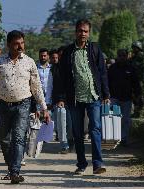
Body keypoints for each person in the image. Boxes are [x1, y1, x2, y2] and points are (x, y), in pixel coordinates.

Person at [0, 30, 50, 184]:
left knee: (19, 138)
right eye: (16, 44)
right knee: (5, 140)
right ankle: (11, 166)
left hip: (23, 104)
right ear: (9, 45)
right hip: (2, 105)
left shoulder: (29, 62)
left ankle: (15, 171)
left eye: (22, 43)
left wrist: (44, 108)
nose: (20, 46)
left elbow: (37, 87)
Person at [57, 19, 110, 175]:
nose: (82, 34)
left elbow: (102, 73)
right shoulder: (68, 52)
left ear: (89, 33)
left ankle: (98, 164)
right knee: (78, 132)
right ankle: (81, 164)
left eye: (85, 31)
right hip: (75, 98)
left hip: (93, 96)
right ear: (75, 32)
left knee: (95, 129)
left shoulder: (95, 49)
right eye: (80, 30)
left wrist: (106, 94)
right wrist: (60, 97)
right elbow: (62, 77)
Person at [108, 49, 142, 146]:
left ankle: (124, 139)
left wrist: (138, 95)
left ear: (127, 56)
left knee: (126, 119)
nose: (122, 57)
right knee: (115, 118)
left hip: (127, 98)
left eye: (124, 55)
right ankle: (115, 138)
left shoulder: (131, 68)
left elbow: (136, 83)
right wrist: (106, 95)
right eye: (120, 55)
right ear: (117, 56)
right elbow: (106, 82)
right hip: (114, 97)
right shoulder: (112, 68)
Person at [50, 49, 73, 154]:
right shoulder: (55, 68)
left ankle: (71, 142)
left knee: (72, 124)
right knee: (62, 124)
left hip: (74, 100)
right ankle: (65, 146)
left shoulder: (72, 66)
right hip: (61, 101)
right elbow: (56, 86)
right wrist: (60, 99)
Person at [130, 41, 144, 117]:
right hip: (134, 79)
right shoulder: (134, 57)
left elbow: (139, 67)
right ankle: (136, 111)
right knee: (134, 96)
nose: (133, 49)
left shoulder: (140, 56)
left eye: (135, 48)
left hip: (139, 79)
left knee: (139, 96)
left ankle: (140, 112)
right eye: (133, 48)